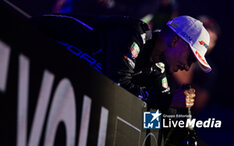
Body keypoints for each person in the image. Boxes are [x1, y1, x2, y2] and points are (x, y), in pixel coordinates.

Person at [31, 15, 211, 111]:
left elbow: (148, 118)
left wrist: (174, 108)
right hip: (29, 43)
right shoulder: (133, 34)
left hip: (52, 80)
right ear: (174, 42)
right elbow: (116, 86)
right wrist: (165, 101)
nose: (188, 67)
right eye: (190, 58)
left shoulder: (158, 68)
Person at [171, 15, 220, 115]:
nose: (205, 43)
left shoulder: (208, 71)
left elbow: (196, 106)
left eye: (210, 39)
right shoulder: (169, 48)